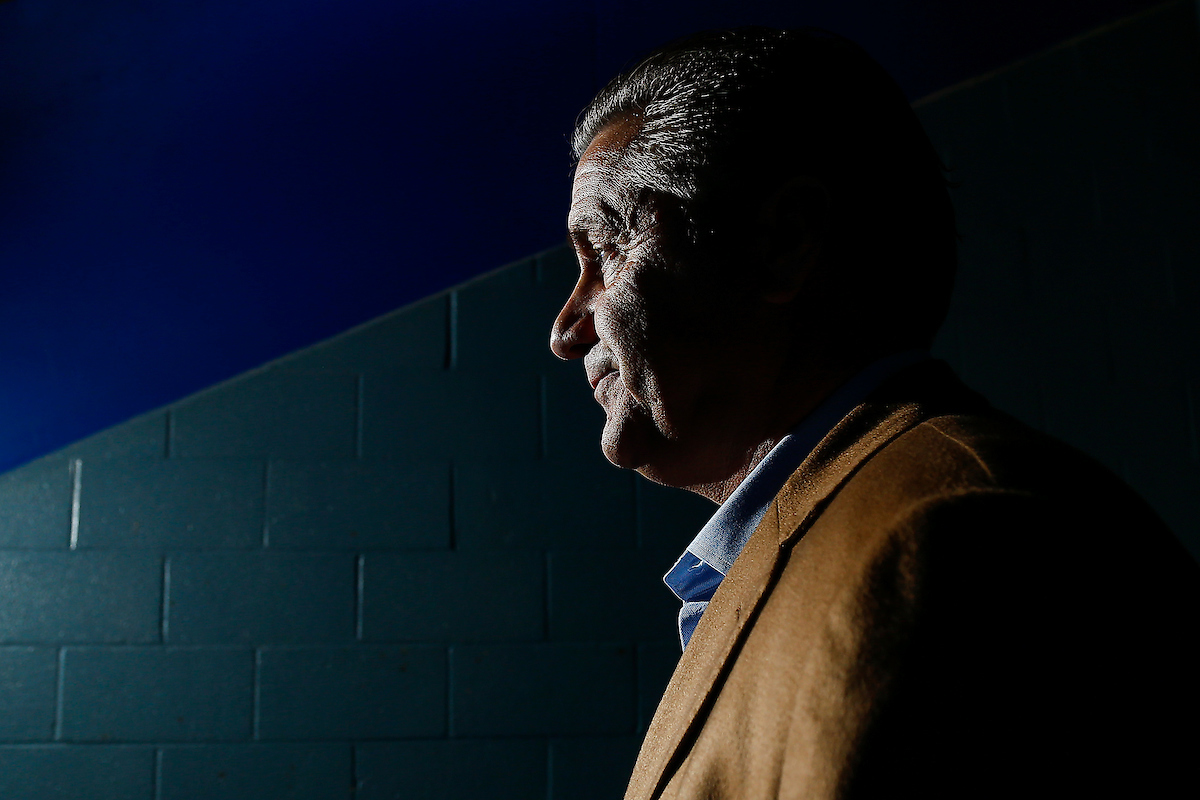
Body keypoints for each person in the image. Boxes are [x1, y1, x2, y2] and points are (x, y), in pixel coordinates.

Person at [549, 28, 1199, 800]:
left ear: (785, 243)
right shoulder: (841, 533)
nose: (565, 329)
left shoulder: (965, 536)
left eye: (608, 246)